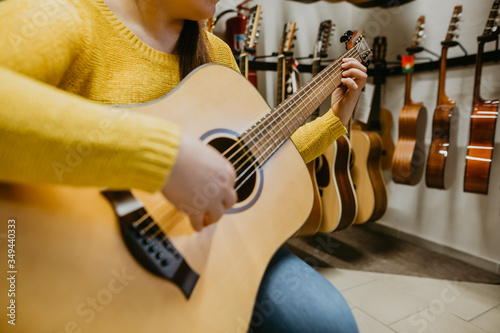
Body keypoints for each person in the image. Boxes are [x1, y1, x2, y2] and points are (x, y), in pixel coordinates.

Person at [0, 0, 366, 331]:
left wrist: (334, 119)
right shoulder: (67, 16)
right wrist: (164, 157)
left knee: (326, 322)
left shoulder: (217, 54)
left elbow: (252, 162)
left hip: (209, 247)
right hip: (77, 262)